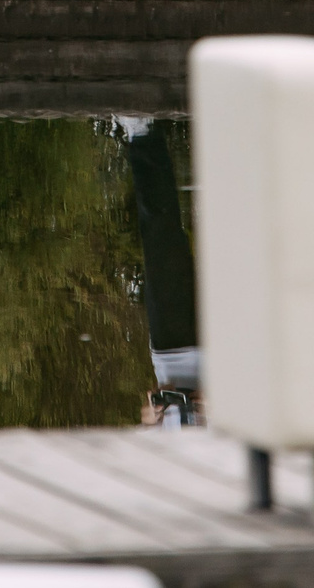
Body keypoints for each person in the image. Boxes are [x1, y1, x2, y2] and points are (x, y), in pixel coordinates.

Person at [115, 117, 204, 428]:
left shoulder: (162, 469)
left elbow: (147, 420)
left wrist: (152, 416)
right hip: (228, 353)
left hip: (173, 349)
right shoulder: (232, 470)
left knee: (160, 237)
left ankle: (142, 134)